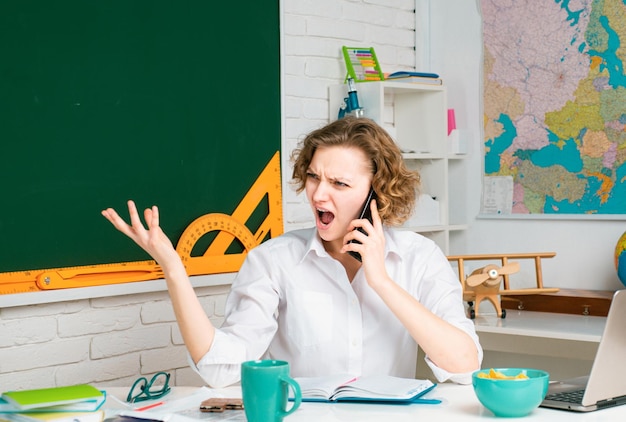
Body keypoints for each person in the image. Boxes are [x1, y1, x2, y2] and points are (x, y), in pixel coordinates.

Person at [101, 117, 482, 388]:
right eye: (314, 176)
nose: (318, 194)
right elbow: (222, 369)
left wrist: (380, 280)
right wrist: (173, 268)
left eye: (339, 183)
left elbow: (465, 365)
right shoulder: (273, 261)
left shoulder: (420, 257)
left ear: (377, 193)